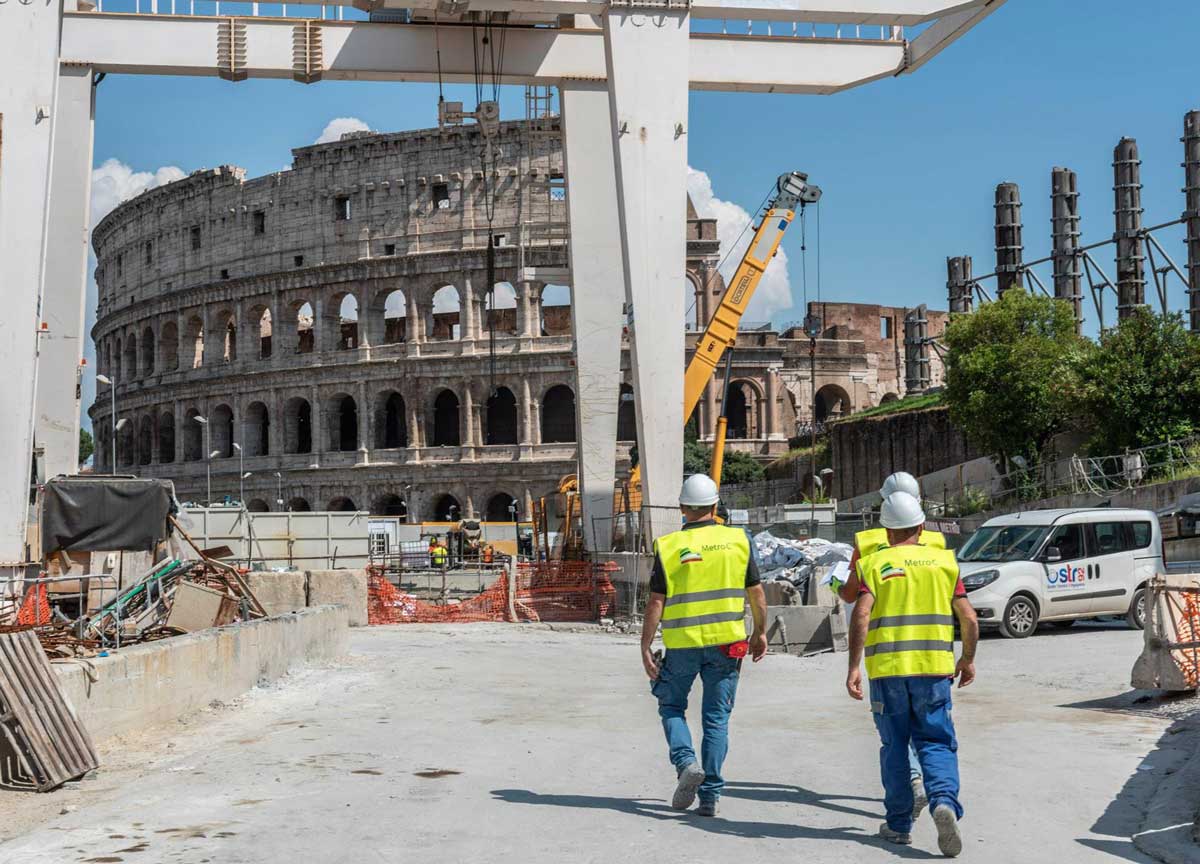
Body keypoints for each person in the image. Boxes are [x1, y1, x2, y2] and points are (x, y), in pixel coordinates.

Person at [846, 490, 978, 857]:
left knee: (895, 747)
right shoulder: (944, 563)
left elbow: (860, 613)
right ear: (921, 526)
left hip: (887, 673)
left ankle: (900, 825)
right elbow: (968, 617)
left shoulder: (874, 564)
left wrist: (854, 666)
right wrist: (967, 658)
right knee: (935, 741)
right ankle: (943, 803)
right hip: (934, 671)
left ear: (886, 532)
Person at [640, 474, 769, 818]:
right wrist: (759, 632)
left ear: (682, 508)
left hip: (682, 644)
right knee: (716, 719)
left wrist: (644, 645)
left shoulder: (668, 546)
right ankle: (709, 797)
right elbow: (756, 592)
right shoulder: (738, 540)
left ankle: (685, 763)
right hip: (728, 643)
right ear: (715, 506)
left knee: (670, 706)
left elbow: (656, 602)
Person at [833, 471, 947, 818]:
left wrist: (838, 583)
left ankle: (909, 781)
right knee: (930, 730)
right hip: (932, 652)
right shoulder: (938, 544)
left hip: (886, 651)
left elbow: (852, 594)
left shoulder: (868, 542)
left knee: (895, 732)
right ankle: (939, 794)